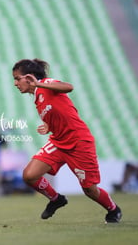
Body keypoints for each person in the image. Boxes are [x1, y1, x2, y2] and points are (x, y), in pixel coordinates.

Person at [12, 59, 122, 223]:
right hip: (58, 142)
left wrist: (40, 84)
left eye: (17, 78)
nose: (15, 83)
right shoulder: (37, 98)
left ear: (29, 77)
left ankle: (113, 210)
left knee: (89, 189)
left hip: (78, 141)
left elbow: (68, 87)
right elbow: (60, 114)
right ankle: (56, 199)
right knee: (30, 175)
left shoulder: (46, 84)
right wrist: (48, 126)